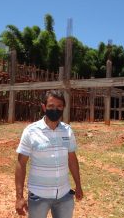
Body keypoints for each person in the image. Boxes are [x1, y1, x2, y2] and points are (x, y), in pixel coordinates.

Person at [15, 90, 83, 218]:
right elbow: (21, 163)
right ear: (44, 107)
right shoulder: (31, 131)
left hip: (64, 195)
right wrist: (19, 197)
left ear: (63, 108)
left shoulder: (67, 131)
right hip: (38, 196)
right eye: (51, 106)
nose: (55, 110)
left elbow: (72, 159)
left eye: (59, 107)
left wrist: (78, 185)